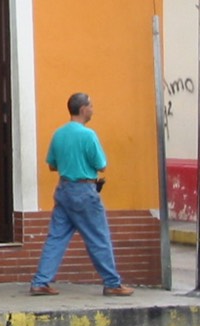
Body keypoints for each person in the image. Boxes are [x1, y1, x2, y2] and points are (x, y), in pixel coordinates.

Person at [30, 93, 134, 297]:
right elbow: (101, 165)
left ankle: (40, 281)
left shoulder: (58, 134)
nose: (93, 109)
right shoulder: (88, 135)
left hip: (64, 189)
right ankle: (112, 282)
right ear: (83, 109)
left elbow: (52, 164)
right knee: (98, 237)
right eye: (91, 105)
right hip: (85, 190)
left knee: (56, 237)